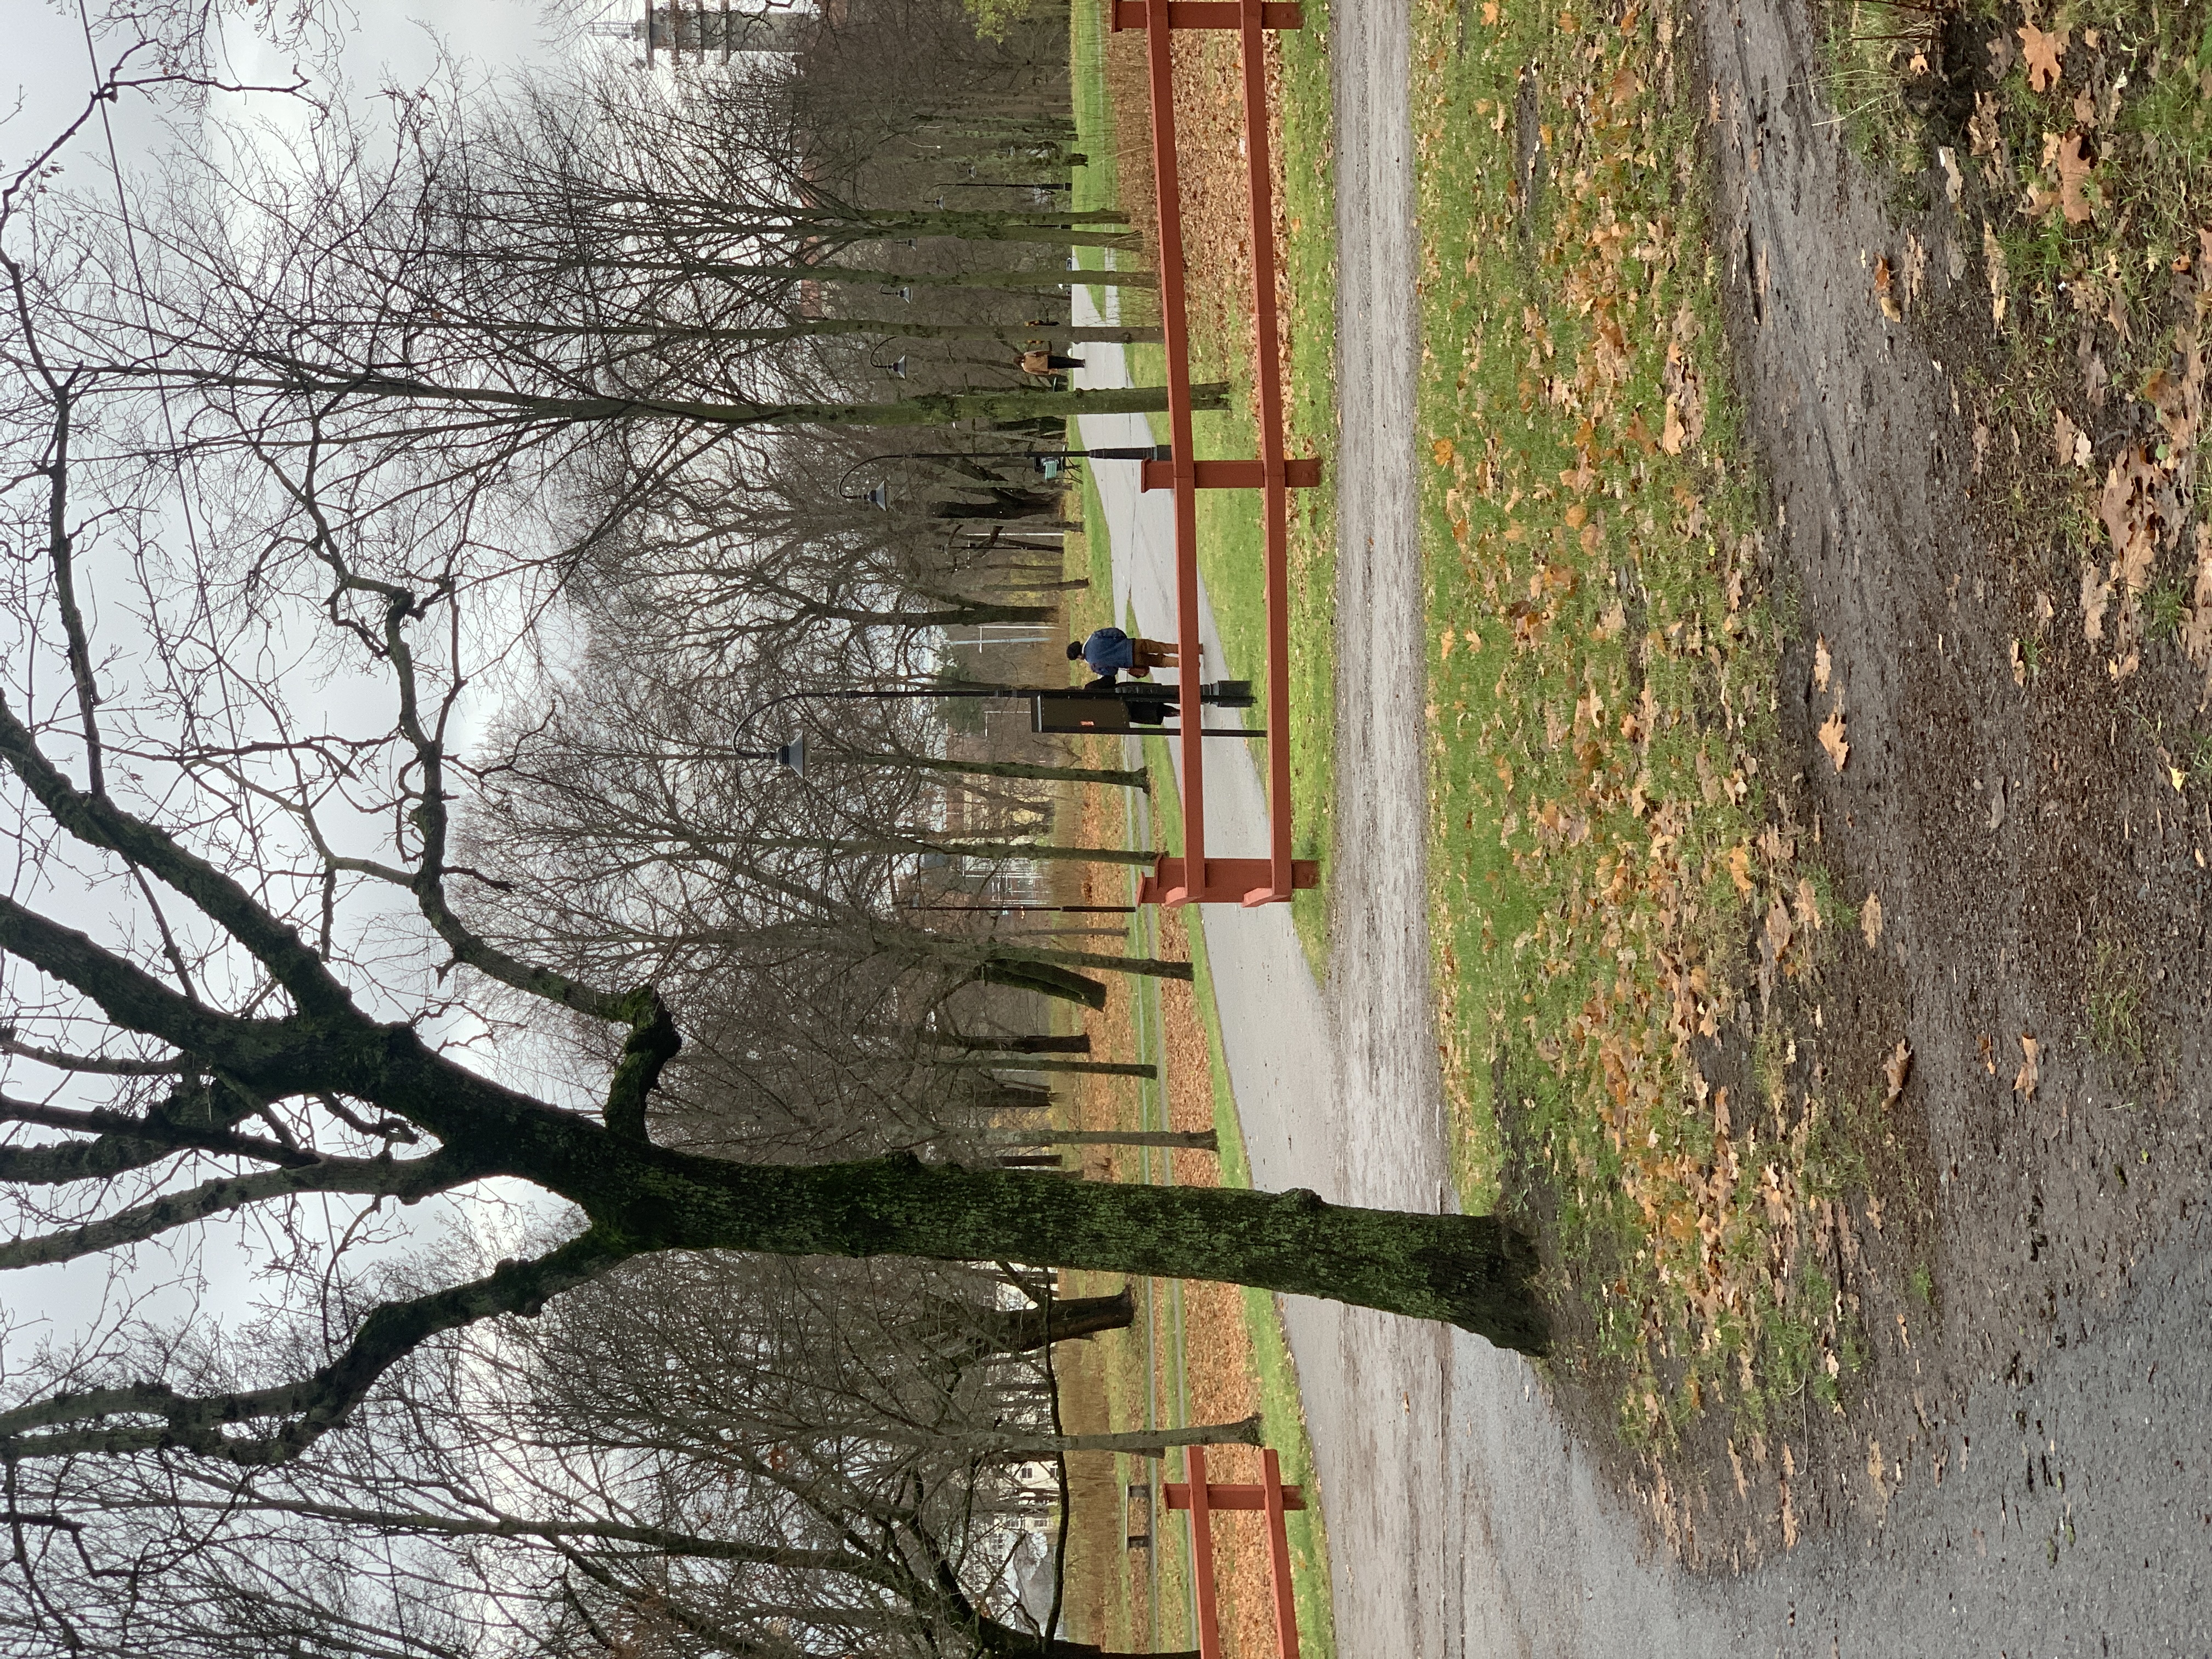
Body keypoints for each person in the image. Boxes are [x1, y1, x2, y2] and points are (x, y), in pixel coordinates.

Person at [1069, 627, 1179, 679]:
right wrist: (1123, 641)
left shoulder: (1094, 665)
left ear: (1078, 656)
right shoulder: (1095, 636)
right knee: (1163, 647)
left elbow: (1112, 672)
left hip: (1132, 661)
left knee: (1163, 662)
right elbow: (1116, 632)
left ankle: (1185, 663)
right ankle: (1194, 649)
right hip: (1134, 644)